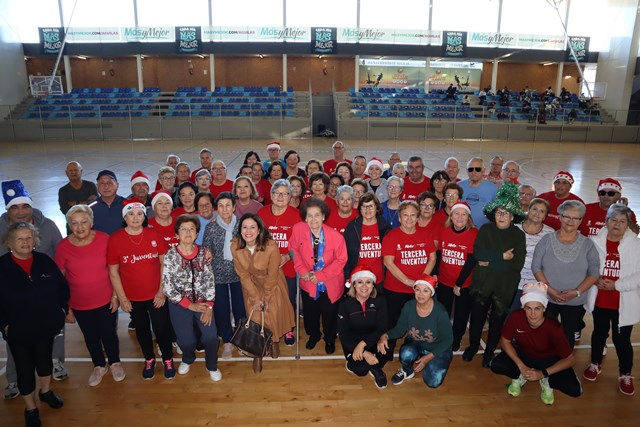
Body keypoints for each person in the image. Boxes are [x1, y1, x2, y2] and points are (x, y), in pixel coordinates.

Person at [1, 180, 67, 399]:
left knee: (49, 343)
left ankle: (55, 366)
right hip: (16, 307)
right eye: (14, 207)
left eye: (24, 206)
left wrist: (62, 307)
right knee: (19, 351)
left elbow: (60, 254)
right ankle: (13, 379)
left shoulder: (47, 226)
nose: (20, 212)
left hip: (46, 300)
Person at [0, 222, 69, 427]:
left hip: (46, 325)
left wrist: (62, 310)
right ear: (10, 242)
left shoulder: (44, 261)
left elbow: (61, 287)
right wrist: (4, 325)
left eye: (29, 237)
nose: (25, 242)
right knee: (24, 369)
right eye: (20, 238)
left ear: (35, 240)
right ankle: (31, 408)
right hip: (19, 330)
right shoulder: (2, 267)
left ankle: (46, 392)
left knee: (45, 361)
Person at [54, 205, 124, 387]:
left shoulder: (104, 239)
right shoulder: (63, 247)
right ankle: (99, 365)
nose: (80, 227)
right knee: (90, 336)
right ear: (69, 225)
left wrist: (116, 295)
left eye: (84, 222)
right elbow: (59, 280)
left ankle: (115, 362)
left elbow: (114, 269)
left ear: (91, 222)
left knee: (109, 333)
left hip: (106, 299)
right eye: (74, 223)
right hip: (79, 303)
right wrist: (66, 307)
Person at [107, 199, 175, 379]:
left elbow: (164, 263)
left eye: (139, 214)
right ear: (125, 217)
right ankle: (149, 359)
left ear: (144, 216)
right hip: (133, 297)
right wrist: (122, 298)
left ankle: (168, 358)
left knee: (162, 327)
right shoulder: (116, 239)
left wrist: (162, 291)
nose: (135, 218)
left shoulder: (154, 235)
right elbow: (113, 271)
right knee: (142, 329)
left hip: (156, 294)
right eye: (131, 214)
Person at [463, 183, 526, 367]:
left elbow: (516, 264)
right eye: (498, 212)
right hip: (482, 284)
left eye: (505, 213)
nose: (501, 216)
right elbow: (478, 254)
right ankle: (473, 346)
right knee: (476, 319)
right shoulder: (485, 230)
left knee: (497, 322)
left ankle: (489, 352)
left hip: (504, 287)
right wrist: (501, 256)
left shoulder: (517, 236)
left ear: (512, 216)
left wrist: (489, 262)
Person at [490, 282, 582, 405]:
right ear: (524, 308)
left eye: (537, 308)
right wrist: (521, 365)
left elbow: (570, 360)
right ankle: (520, 375)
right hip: (525, 356)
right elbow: (505, 341)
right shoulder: (516, 317)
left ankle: (546, 381)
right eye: (529, 308)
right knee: (496, 365)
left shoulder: (554, 328)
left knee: (574, 390)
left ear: (544, 308)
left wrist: (543, 373)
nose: (533, 314)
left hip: (548, 361)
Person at [584, 204, 640, 395]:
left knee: (621, 339)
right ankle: (595, 363)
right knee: (599, 333)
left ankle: (625, 373)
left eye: (622, 221)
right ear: (606, 222)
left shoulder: (636, 245)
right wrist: (595, 278)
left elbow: (638, 276)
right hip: (600, 299)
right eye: (613, 220)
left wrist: (616, 285)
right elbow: (587, 265)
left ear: (628, 224)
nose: (617, 224)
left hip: (622, 302)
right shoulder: (594, 242)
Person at [232, 213, 296, 373]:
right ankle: (257, 354)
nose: (248, 231)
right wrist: (256, 297)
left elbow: (272, 275)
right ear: (239, 230)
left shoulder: (271, 246)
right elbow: (243, 274)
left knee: (272, 313)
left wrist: (265, 298)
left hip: (272, 283)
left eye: (252, 227)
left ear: (259, 230)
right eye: (244, 227)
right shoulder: (234, 245)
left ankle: (274, 343)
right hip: (251, 285)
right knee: (255, 317)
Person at [532, 200, 600, 348]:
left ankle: (563, 365)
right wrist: (550, 290)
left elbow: (594, 273)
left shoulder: (588, 244)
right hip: (547, 298)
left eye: (575, 218)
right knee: (544, 333)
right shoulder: (546, 240)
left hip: (575, 301)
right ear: (560, 217)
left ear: (581, 220)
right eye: (567, 216)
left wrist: (576, 292)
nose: (570, 221)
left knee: (567, 335)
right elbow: (536, 267)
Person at [162, 214, 221, 382]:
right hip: (180, 306)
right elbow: (168, 286)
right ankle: (188, 358)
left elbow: (210, 281)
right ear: (176, 234)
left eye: (192, 229)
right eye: (183, 229)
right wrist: (189, 305)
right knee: (186, 341)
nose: (188, 233)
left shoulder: (204, 253)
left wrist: (209, 306)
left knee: (210, 337)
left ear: (196, 233)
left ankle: (212, 365)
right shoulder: (170, 256)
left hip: (203, 303)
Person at [290, 199, 348, 354]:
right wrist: (302, 270)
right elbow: (293, 250)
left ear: (323, 216)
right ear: (305, 217)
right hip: (308, 281)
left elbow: (341, 260)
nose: (313, 219)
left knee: (330, 315)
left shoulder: (336, 236)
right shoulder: (298, 230)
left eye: (317, 215)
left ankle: (329, 339)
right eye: (309, 216)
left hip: (330, 282)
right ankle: (314, 335)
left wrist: (321, 275)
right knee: (310, 314)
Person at [381, 200, 437, 357]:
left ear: (418, 218)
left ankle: (413, 347)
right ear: (399, 217)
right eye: (405, 215)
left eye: (413, 215)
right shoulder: (391, 236)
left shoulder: (425, 234)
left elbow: (432, 258)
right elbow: (388, 262)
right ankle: (389, 346)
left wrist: (421, 281)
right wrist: (408, 281)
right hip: (395, 289)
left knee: (417, 319)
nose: (409, 219)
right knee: (393, 319)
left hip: (419, 290)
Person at [377, 275, 453, 388]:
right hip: (417, 343)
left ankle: (429, 361)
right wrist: (385, 336)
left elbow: (448, 340)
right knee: (406, 353)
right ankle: (407, 370)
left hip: (438, 348)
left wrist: (428, 358)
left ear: (431, 293)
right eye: (418, 289)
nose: (421, 294)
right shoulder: (409, 306)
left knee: (433, 382)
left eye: (425, 290)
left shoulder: (440, 312)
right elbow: (399, 330)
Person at [203, 192, 246, 359]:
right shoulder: (211, 227)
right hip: (218, 275)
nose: (225, 209)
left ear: (234, 207)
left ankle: (241, 339)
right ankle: (227, 340)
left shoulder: (242, 225)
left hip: (239, 274)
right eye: (221, 206)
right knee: (221, 309)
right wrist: (208, 254)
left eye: (228, 205)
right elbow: (207, 248)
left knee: (240, 308)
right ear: (216, 209)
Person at [257, 180, 301, 345]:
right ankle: (268, 327)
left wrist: (287, 257)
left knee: (288, 300)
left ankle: (288, 329)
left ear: (290, 197)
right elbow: (254, 238)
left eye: (285, 193)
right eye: (277, 193)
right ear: (271, 195)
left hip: (287, 265)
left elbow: (300, 243)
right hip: (265, 266)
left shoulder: (296, 215)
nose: (281, 196)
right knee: (267, 298)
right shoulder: (261, 213)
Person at [436, 201, 478, 351]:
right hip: (444, 281)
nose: (460, 217)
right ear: (451, 216)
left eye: (464, 214)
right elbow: (439, 254)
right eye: (456, 214)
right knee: (443, 312)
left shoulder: (473, 233)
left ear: (468, 217)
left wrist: (459, 284)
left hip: (464, 284)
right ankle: (444, 336)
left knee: (461, 314)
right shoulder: (444, 231)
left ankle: (456, 339)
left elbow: (471, 260)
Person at [338, 265, 389, 389]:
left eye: (368, 282)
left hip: (373, 338)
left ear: (373, 285)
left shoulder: (380, 300)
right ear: (354, 284)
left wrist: (365, 344)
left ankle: (375, 367)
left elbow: (382, 326)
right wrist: (363, 351)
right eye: (360, 282)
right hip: (353, 342)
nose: (364, 286)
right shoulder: (345, 304)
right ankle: (367, 364)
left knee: (387, 348)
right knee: (361, 370)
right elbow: (343, 334)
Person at [511, 198, 554, 312]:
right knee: (510, 315)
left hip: (536, 284)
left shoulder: (550, 233)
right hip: (513, 281)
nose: (537, 213)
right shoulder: (514, 228)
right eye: (534, 209)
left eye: (542, 211)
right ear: (528, 210)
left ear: (545, 216)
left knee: (532, 317)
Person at [343, 193, 389, 294]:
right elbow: (344, 253)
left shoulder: (384, 226)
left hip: (379, 280)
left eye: (371, 206)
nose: (367, 210)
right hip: (358, 279)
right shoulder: (352, 227)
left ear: (377, 208)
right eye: (364, 206)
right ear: (360, 209)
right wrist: (347, 276)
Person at [459, 158, 497, 229]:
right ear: (467, 171)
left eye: (478, 169)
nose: (474, 172)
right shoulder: (459, 186)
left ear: (483, 170)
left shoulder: (493, 189)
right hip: (461, 230)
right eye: (471, 169)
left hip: (483, 232)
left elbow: (497, 211)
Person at [91, 170, 126, 236]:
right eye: (102, 183)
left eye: (110, 183)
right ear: (97, 186)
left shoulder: (127, 205)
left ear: (117, 185)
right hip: (100, 245)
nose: (106, 187)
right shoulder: (89, 208)